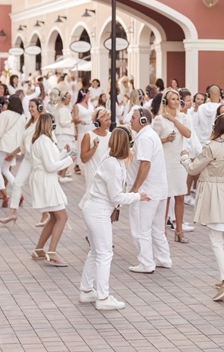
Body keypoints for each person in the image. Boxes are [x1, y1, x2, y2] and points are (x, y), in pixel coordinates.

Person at [79, 128, 151, 311]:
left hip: (96, 209)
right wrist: (138, 196)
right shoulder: (113, 164)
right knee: (104, 254)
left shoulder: (112, 159)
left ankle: (87, 290)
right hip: (99, 211)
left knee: (96, 252)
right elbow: (116, 198)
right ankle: (103, 297)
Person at [180, 114, 224, 301]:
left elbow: (193, 169)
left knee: (217, 240)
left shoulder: (211, 147)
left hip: (214, 194)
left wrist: (185, 158)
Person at [126, 108, 172, 273]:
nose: (130, 120)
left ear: (143, 121)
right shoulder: (150, 135)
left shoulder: (145, 137)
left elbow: (145, 164)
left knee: (141, 228)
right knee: (157, 228)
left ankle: (146, 263)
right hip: (159, 189)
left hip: (147, 191)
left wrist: (135, 189)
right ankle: (163, 258)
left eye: (133, 118)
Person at [30, 114, 76, 267]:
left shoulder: (44, 140)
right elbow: (50, 166)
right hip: (45, 181)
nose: (54, 127)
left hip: (45, 180)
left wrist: (64, 153)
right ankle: (52, 252)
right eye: (52, 123)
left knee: (54, 217)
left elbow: (51, 160)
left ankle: (39, 249)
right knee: (62, 216)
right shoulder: (43, 141)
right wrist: (69, 160)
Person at [152, 89, 194, 243]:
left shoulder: (183, 117)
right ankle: (161, 230)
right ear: (166, 101)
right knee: (166, 197)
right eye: (173, 99)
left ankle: (179, 230)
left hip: (179, 161)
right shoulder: (159, 120)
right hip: (165, 160)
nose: (176, 102)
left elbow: (188, 134)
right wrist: (164, 139)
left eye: (178, 99)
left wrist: (174, 120)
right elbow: (153, 141)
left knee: (180, 196)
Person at [0, 98, 43, 224]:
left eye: (32, 106)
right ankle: (12, 214)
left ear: (39, 107)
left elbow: (51, 139)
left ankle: (46, 215)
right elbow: (24, 142)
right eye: (29, 106)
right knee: (17, 184)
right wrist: (13, 153)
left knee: (39, 186)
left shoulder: (43, 121)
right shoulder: (29, 122)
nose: (30, 109)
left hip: (38, 159)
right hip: (28, 158)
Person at [0, 96, 26, 207]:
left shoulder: (4, 114)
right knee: (6, 170)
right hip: (13, 148)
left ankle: (5, 194)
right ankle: (19, 194)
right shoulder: (22, 117)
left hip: (3, 145)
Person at [80, 107, 111, 195]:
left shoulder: (111, 135)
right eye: (106, 120)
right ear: (97, 122)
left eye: (109, 119)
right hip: (93, 177)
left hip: (107, 177)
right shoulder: (88, 136)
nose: (109, 122)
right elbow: (83, 159)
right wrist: (94, 148)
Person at [55, 92, 76, 183]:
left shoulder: (65, 109)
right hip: (63, 135)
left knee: (68, 155)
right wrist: (72, 120)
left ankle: (61, 174)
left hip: (66, 134)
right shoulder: (62, 109)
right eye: (68, 98)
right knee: (69, 154)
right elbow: (63, 122)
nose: (70, 100)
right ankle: (61, 174)